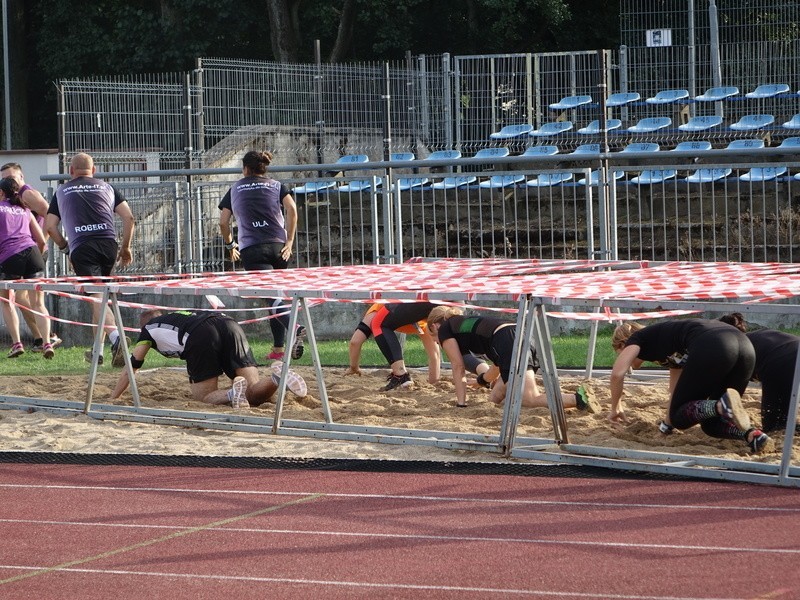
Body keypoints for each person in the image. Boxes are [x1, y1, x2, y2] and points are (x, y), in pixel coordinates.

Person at [610, 319, 773, 453]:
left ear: (623, 345)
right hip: (745, 347)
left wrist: (615, 408)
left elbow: (617, 374)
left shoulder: (637, 338)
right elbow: (675, 394)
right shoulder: (668, 345)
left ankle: (721, 405)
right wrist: (665, 429)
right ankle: (753, 435)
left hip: (715, 344)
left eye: (619, 353)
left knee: (681, 419)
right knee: (711, 425)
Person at [111, 309, 307, 407]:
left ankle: (231, 394)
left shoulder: (148, 329)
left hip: (200, 334)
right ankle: (276, 378)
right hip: (229, 324)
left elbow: (132, 365)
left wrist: (114, 397)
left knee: (203, 397)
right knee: (253, 394)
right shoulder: (180, 315)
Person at [46, 153, 135, 366]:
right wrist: (125, 248)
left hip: (83, 246)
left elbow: (50, 226)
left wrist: (67, 249)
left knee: (96, 297)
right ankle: (98, 351)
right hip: (108, 244)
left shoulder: (62, 191)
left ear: (71, 172)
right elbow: (129, 218)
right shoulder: (107, 187)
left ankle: (116, 340)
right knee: (100, 297)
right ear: (94, 170)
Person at [218, 150, 304, 362]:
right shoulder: (276, 185)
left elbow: (223, 222)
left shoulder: (235, 188)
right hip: (279, 247)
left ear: (245, 168)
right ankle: (278, 348)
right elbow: (292, 208)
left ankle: (295, 326)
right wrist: (290, 241)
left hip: (252, 249)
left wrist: (230, 245)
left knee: (272, 297)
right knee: (275, 297)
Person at [427, 306, 598, 411]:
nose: (437, 341)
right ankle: (573, 398)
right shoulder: (463, 323)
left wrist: (461, 404)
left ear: (435, 326)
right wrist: (482, 381)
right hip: (520, 335)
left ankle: (578, 398)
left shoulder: (445, 330)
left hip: (508, 341)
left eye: (433, 337)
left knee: (528, 398)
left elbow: (458, 367)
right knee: (495, 396)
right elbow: (498, 365)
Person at [345, 302, 497, 386]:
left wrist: (354, 367)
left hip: (431, 302)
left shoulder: (376, 311)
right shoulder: (422, 319)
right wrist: (434, 381)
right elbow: (434, 354)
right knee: (455, 347)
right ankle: (487, 375)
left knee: (379, 324)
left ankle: (401, 375)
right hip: (450, 304)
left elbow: (354, 342)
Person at [0, 162, 62, 351]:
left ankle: (28, 341)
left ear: (21, 177)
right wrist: (35, 247)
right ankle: (42, 340)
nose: (8, 181)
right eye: (4, 179)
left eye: (10, 178)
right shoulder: (23, 208)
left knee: (8, 299)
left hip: (18, 253)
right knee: (24, 299)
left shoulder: (26, 194)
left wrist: (40, 244)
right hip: (32, 251)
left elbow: (49, 213)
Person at [720, 312, 800, 434]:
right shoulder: (759, 334)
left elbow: (732, 392)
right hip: (792, 352)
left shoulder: (735, 347)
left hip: (781, 363)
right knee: (783, 414)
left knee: (774, 424)